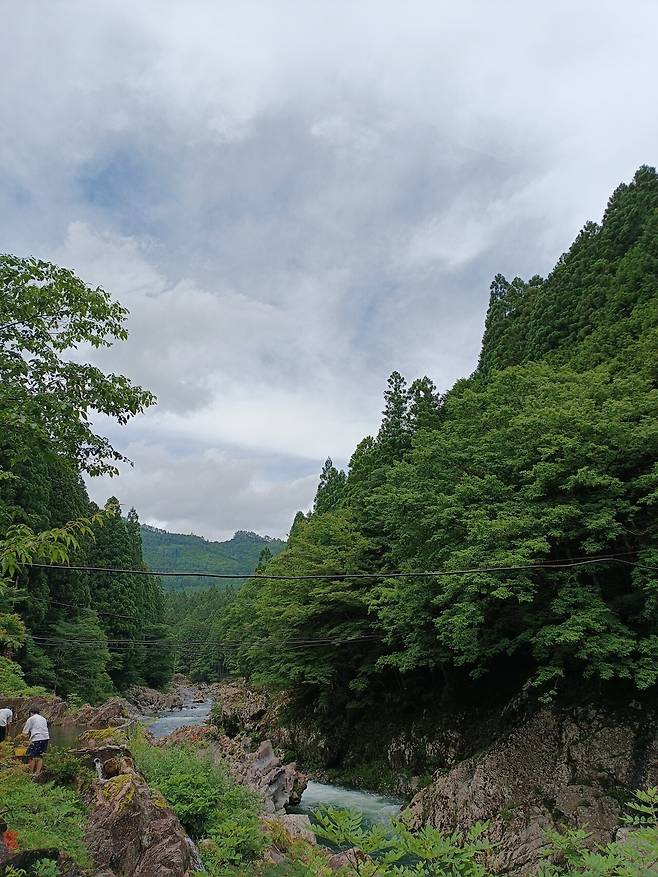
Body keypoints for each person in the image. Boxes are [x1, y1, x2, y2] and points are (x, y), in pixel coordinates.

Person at [22, 707, 49, 775]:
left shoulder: (31, 719)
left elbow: (24, 733)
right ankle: (37, 773)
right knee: (40, 756)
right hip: (45, 738)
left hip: (37, 738)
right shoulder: (43, 719)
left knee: (31, 756)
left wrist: (25, 742)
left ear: (31, 713)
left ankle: (31, 773)